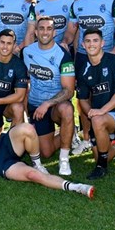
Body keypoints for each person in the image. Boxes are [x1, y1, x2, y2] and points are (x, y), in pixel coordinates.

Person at [22, 16, 76, 173]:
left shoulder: (63, 55)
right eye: (41, 28)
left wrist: (47, 104)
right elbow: (24, 81)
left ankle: (64, 159)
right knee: (46, 152)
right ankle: (70, 131)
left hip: (54, 106)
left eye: (49, 28)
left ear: (54, 32)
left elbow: (69, 90)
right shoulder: (27, 51)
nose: (45, 32)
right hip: (35, 106)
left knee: (67, 109)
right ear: (36, 32)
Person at [75, 28, 115, 180]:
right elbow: (83, 99)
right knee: (99, 154)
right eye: (88, 41)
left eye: (95, 40)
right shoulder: (83, 69)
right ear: (83, 45)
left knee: (98, 122)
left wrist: (101, 111)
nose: (91, 44)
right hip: (100, 115)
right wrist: (91, 112)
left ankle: (101, 167)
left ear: (102, 43)